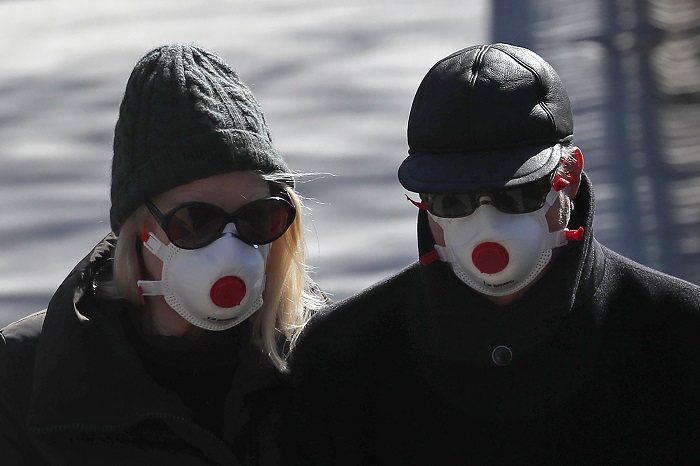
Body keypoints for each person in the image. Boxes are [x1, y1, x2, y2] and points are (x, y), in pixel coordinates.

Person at [287, 43, 700, 465]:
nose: (485, 224)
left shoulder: (681, 342)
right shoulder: (343, 361)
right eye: (452, 199)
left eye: (518, 192)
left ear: (571, 175)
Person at [0, 43, 325, 465]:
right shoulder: (25, 379)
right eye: (196, 221)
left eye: (257, 218)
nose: (231, 248)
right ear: (140, 231)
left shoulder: (325, 360)